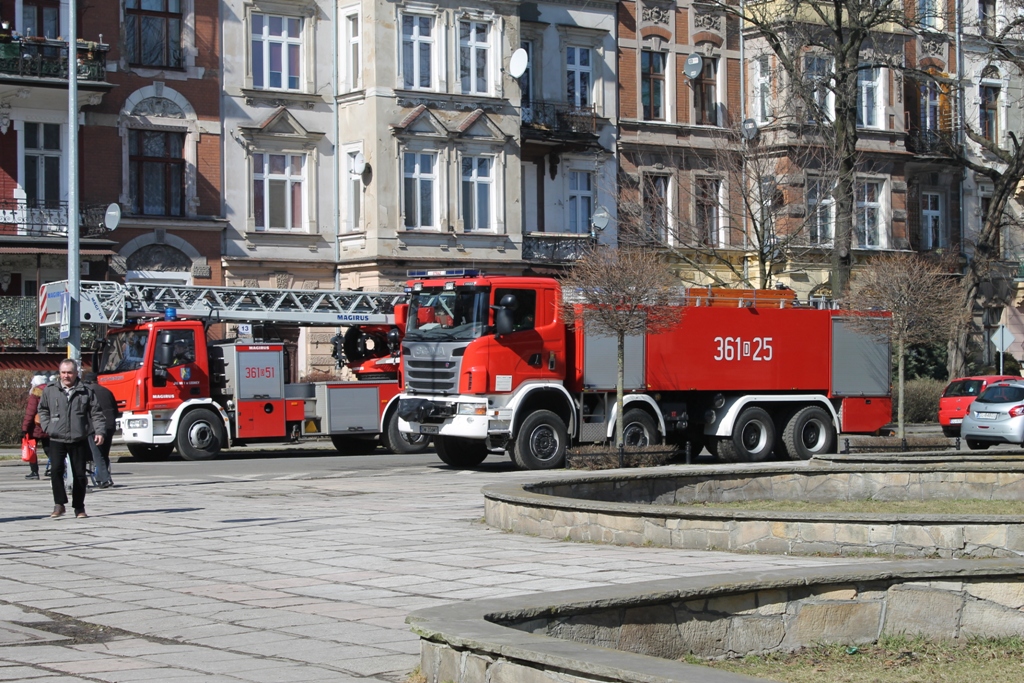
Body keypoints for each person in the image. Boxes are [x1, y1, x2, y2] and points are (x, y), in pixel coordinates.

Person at [37, 359, 106, 519]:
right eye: (63, 372)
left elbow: (96, 413)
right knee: (55, 471)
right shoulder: (50, 390)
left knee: (80, 475)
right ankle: (59, 504)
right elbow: (43, 410)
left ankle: (79, 507)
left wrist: (99, 432)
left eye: (69, 372)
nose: (66, 376)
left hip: (78, 438)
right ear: (59, 373)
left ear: (76, 373)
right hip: (57, 438)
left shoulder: (86, 391)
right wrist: (48, 427)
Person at [82, 372, 118, 489]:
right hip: (110, 425)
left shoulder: (87, 392)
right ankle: (100, 477)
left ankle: (105, 479)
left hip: (95, 426)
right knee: (104, 453)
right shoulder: (107, 391)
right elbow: (115, 409)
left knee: (97, 454)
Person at [21, 374, 50, 480]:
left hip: (35, 427)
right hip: (47, 426)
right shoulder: (50, 392)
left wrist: (24, 428)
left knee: (31, 450)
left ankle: (34, 472)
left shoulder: (35, 394)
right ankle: (59, 467)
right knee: (49, 449)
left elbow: (30, 413)